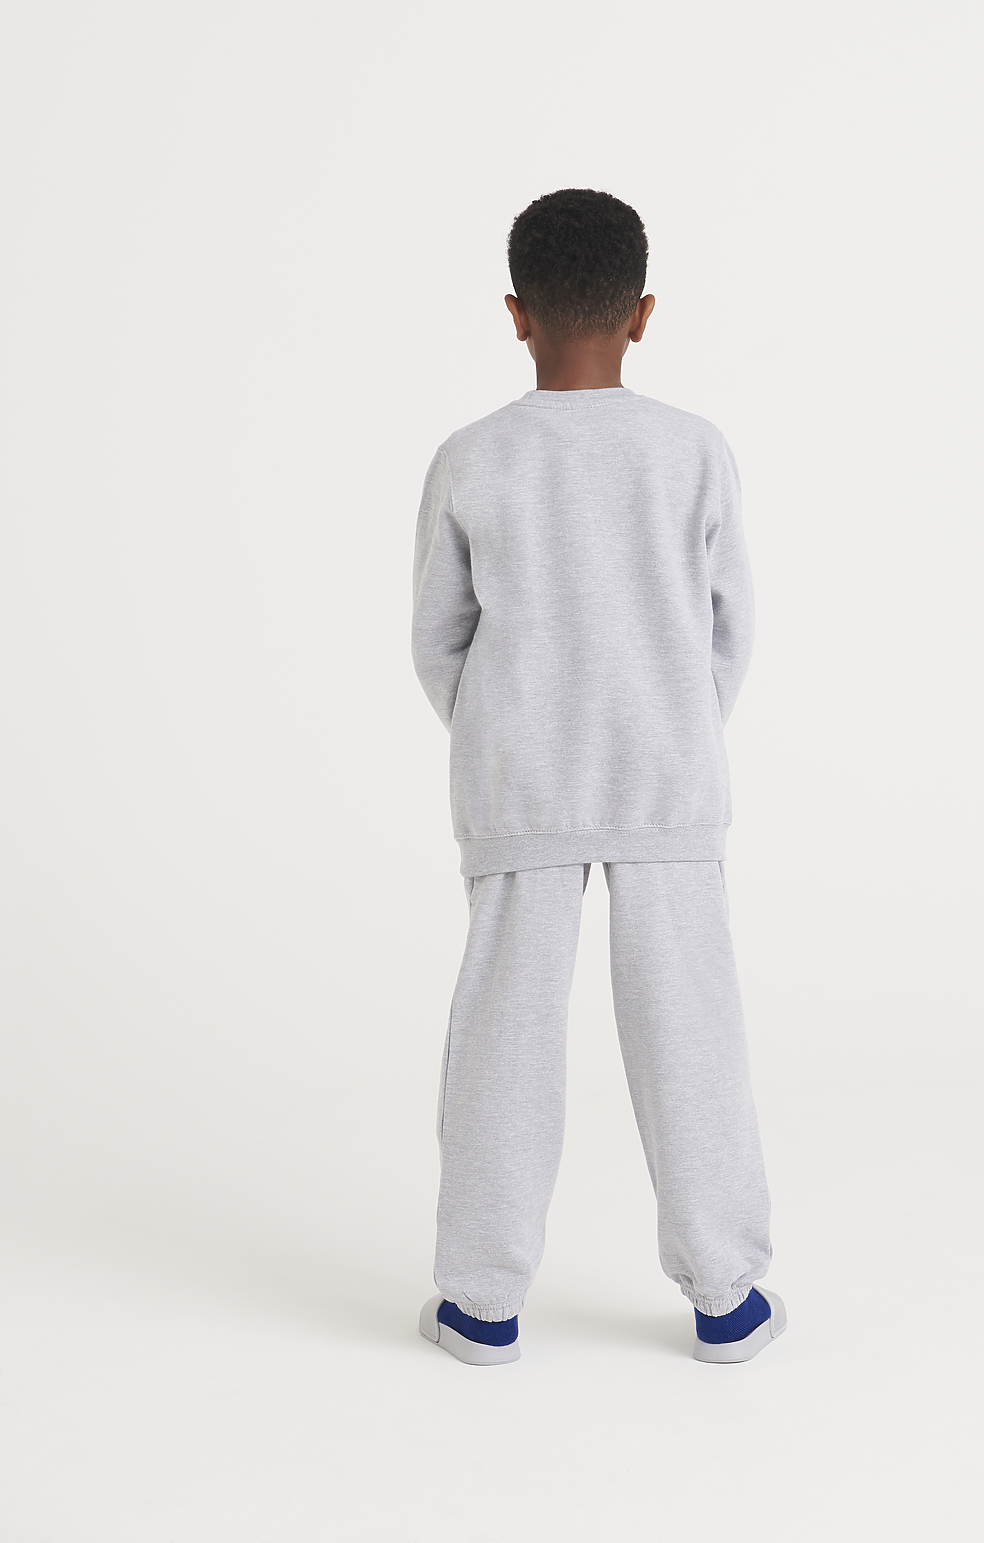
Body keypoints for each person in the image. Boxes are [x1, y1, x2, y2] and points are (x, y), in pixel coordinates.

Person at [411, 188, 783, 1366]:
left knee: (503, 1035)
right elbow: (728, 629)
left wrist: (501, 735)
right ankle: (726, 1297)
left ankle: (481, 1303)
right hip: (667, 780)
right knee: (692, 1032)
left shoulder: (471, 458)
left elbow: (438, 639)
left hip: (519, 786)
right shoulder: (692, 451)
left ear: (515, 314)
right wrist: (675, 725)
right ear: (644, 313)